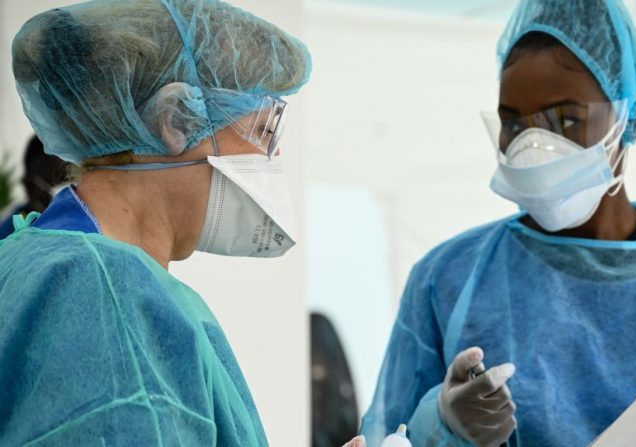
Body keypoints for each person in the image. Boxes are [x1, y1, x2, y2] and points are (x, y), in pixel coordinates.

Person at [361, 1, 636, 446]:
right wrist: (442, 424)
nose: (534, 145)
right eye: (514, 123)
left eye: (566, 119)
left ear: (629, 119)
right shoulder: (448, 277)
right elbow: (379, 439)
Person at [0, 1, 365, 446]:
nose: (274, 159)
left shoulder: (44, 261)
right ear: (177, 120)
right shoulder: (103, 289)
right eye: (265, 133)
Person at [0, 136, 69, 240]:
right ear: (30, 188)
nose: (70, 193)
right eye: (59, 181)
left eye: (71, 178)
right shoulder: (12, 235)